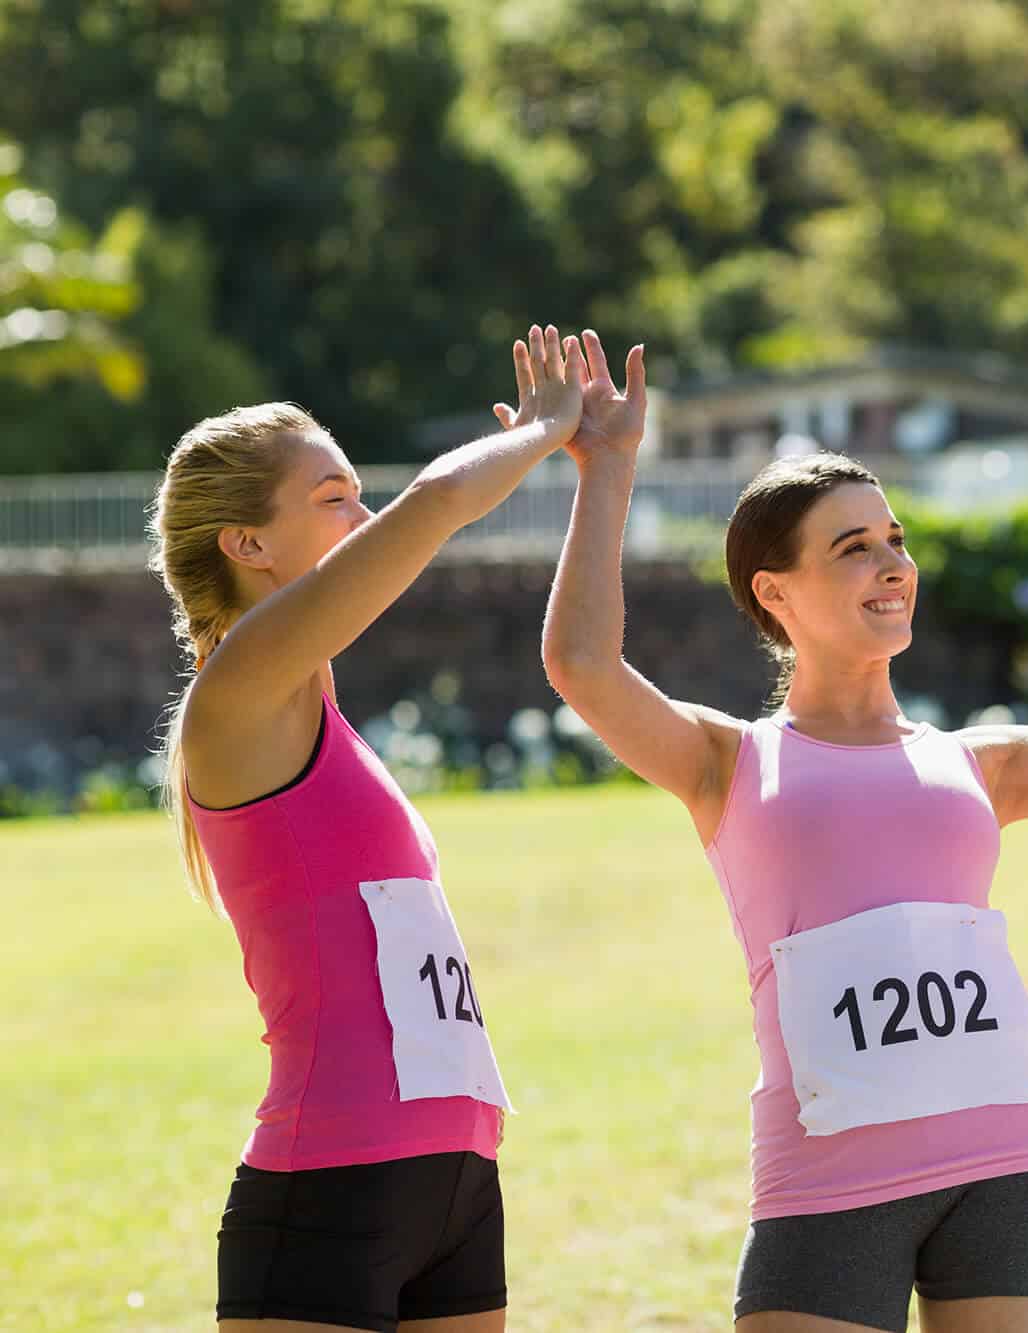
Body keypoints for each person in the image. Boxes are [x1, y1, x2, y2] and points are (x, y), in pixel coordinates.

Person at [539, 330, 1028, 1333]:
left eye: (894, 540)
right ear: (774, 593)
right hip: (828, 1175)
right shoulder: (726, 763)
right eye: (852, 549)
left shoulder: (983, 763)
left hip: (1010, 1163)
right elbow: (584, 664)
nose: (891, 564)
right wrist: (607, 470)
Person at [149, 326, 589, 1332]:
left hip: (451, 1178)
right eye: (334, 496)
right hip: (329, 1187)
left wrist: (593, 459)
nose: (364, 513)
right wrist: (542, 431)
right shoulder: (241, 690)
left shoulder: (318, 705)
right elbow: (435, 504)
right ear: (248, 544)